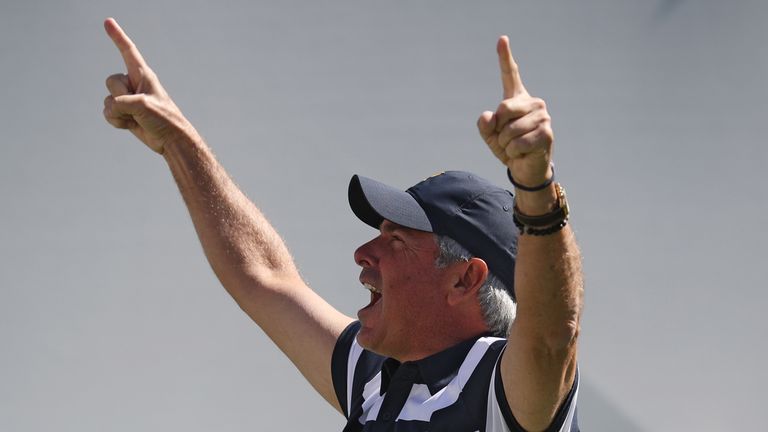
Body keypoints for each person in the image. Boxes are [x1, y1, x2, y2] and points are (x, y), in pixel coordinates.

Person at [102, 17, 583, 432]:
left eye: (397, 238)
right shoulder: (376, 373)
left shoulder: (503, 386)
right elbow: (263, 276)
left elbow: (552, 333)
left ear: (464, 278)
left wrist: (536, 184)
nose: (364, 253)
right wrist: (176, 142)